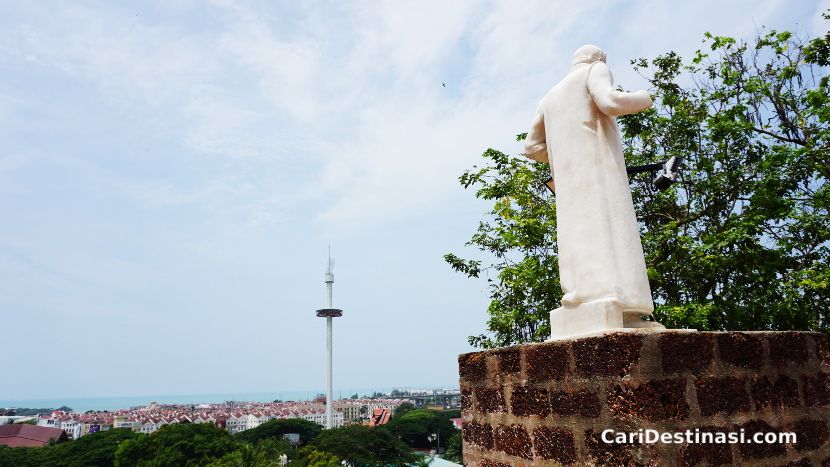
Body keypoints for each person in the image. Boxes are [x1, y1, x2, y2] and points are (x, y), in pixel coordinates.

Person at [524, 44, 663, 339]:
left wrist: (563, 149)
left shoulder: (549, 97)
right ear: (599, 59)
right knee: (611, 228)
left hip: (568, 176)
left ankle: (581, 296)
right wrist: (645, 98)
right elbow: (609, 101)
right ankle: (622, 303)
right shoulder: (594, 69)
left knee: (576, 233)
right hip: (597, 165)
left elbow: (531, 147)